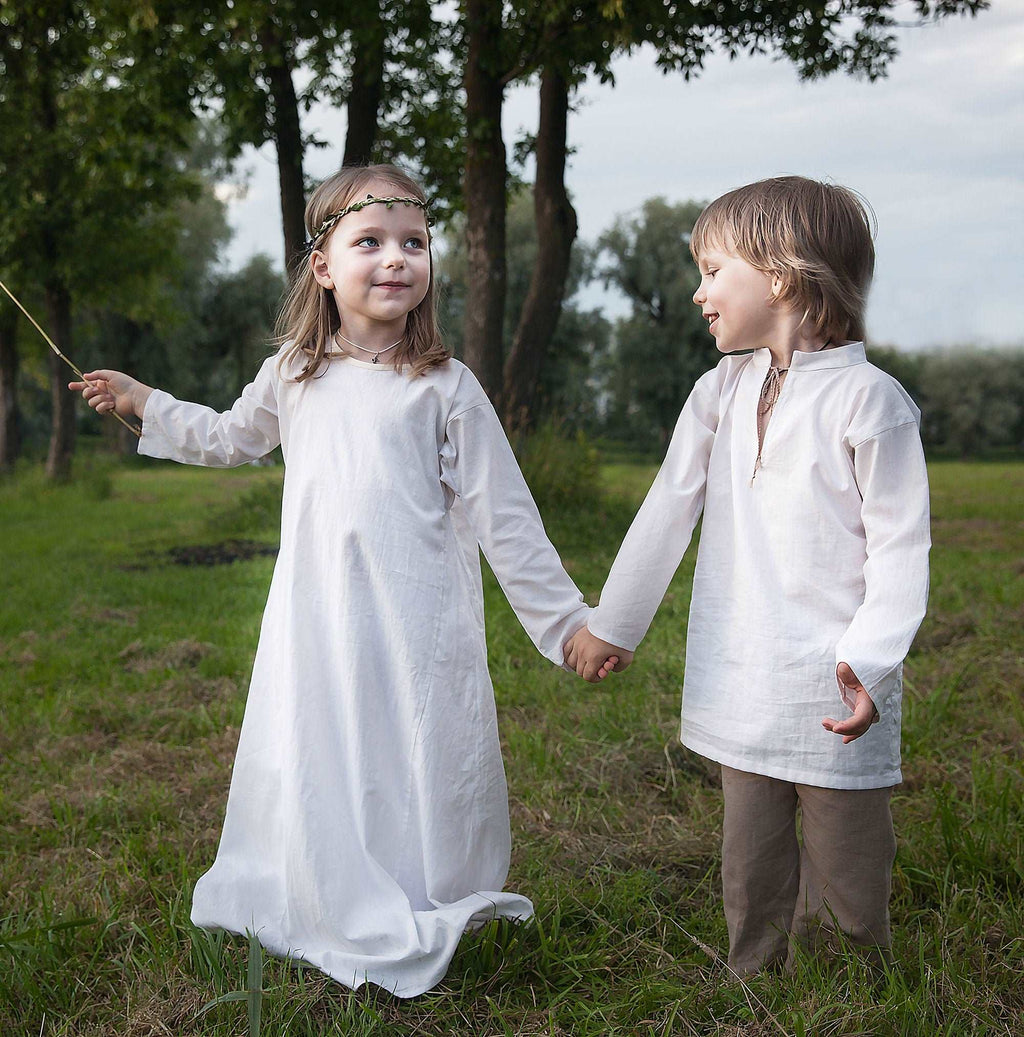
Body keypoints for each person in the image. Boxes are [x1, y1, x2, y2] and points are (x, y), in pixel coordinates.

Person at [71, 164, 594, 998]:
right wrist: (144, 400)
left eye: (413, 243)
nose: (396, 259)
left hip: (417, 614)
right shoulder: (294, 373)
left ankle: (420, 887)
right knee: (329, 742)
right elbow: (227, 437)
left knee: (412, 742)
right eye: (370, 242)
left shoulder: (444, 385)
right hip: (320, 610)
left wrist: (567, 623)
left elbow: (507, 518)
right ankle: (324, 875)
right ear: (323, 267)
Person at [564, 176, 930, 977]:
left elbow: (900, 548)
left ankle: (844, 997)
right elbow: (667, 509)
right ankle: (754, 982)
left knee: (844, 861)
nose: (698, 293)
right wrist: (612, 623)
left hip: (836, 688)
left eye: (712, 270)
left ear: (779, 273)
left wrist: (869, 660)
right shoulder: (719, 391)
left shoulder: (870, 402)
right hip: (745, 673)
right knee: (751, 852)